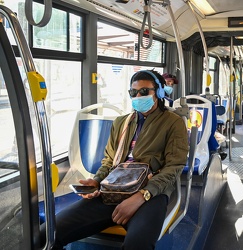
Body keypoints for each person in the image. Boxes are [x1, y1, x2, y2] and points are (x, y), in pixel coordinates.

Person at [41, 70, 189, 249]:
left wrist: (142, 196)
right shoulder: (121, 122)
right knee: (47, 234)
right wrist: (96, 181)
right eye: (133, 93)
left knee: (137, 244)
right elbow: (109, 161)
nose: (138, 96)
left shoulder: (173, 122)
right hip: (114, 187)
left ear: (158, 93)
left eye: (144, 92)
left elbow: (174, 167)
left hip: (151, 192)